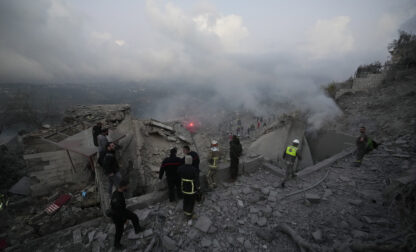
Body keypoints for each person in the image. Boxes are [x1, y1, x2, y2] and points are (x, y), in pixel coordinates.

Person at [110, 180, 142, 250]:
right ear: (123, 187)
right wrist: (124, 219)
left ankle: (138, 229)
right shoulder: (117, 198)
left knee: (134, 216)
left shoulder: (118, 192)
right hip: (117, 216)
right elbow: (118, 211)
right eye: (127, 186)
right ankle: (117, 245)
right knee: (119, 231)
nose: (128, 186)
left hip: (122, 210)